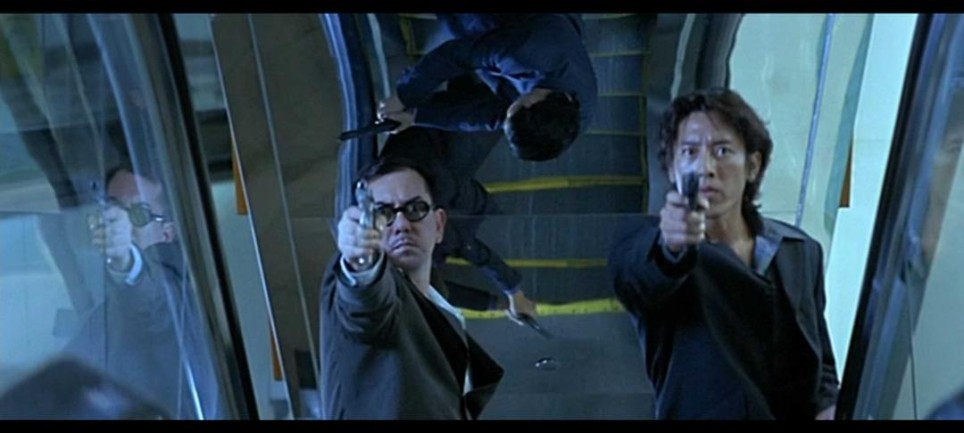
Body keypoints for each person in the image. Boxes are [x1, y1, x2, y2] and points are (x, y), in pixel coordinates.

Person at [608, 88, 839, 419]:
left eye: (722, 151)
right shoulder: (648, 246)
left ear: (753, 166)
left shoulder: (800, 252)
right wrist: (672, 248)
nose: (705, 167)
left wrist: (829, 408)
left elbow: (821, 364)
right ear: (672, 168)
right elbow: (641, 277)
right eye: (689, 151)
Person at [320, 156, 504, 419]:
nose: (402, 225)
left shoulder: (442, 306)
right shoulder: (370, 289)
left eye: (415, 209)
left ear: (439, 225)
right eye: (384, 214)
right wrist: (360, 261)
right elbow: (365, 305)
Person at [65, 164, 224, 419]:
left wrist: (126, 260)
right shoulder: (99, 317)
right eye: (115, 210)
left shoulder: (181, 296)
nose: (123, 223)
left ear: (167, 232)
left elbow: (152, 305)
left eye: (138, 214)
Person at [378, 13, 597, 162]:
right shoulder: (524, 53)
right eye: (513, 109)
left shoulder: (567, 125)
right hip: (523, 26)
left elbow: (488, 118)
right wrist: (404, 95)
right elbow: (457, 55)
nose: (506, 115)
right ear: (532, 100)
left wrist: (416, 117)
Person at [379, 124, 537, 321]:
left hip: (437, 145)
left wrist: (513, 292)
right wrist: (504, 301)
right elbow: (444, 290)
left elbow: (469, 249)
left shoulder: (411, 232)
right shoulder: (406, 263)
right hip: (456, 185)